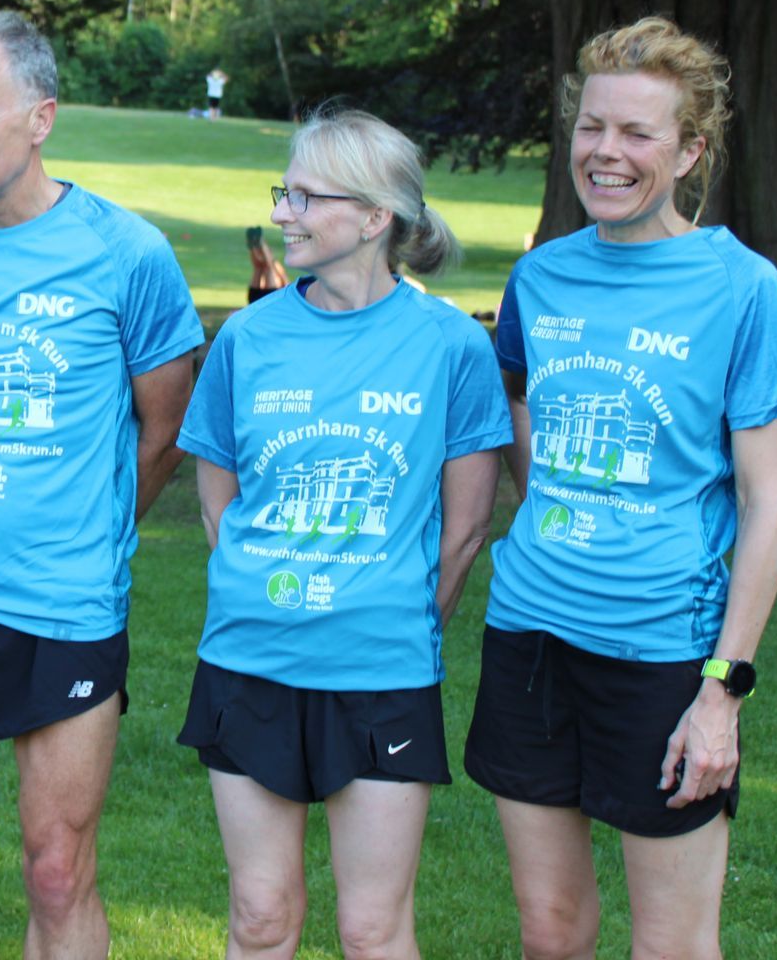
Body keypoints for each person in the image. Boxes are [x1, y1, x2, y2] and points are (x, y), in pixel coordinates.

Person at [465, 16, 777, 960]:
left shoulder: (741, 287)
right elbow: (523, 400)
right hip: (529, 636)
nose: (604, 152)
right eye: (591, 126)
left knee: (671, 947)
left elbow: (769, 503)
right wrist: (551, 511)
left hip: (663, 654)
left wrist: (722, 691)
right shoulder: (542, 276)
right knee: (550, 933)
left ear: (691, 149)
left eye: (637, 133)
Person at [0, 11, 204, 960]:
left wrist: (90, 532)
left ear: (41, 117)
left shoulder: (128, 253)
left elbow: (166, 430)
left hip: (66, 605)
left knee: (57, 865)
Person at [175, 109, 510, 958]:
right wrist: (273, 593)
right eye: (284, 191)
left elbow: (467, 526)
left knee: (371, 929)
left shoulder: (449, 347)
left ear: (375, 217)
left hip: (383, 672)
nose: (283, 212)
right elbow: (218, 503)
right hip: (249, 665)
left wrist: (384, 611)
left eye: (304, 196)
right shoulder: (248, 336)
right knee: (259, 916)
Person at [246, 225, 287, 303]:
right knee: (263, 267)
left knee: (260, 267)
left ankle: (256, 245)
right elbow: (283, 278)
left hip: (261, 299)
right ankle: (258, 244)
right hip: (262, 299)